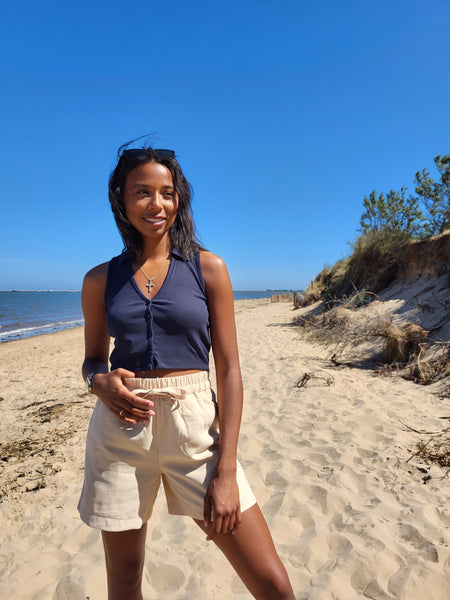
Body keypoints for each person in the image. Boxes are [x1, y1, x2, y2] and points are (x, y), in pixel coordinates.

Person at [78, 141, 295, 600]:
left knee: (272, 583)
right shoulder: (100, 279)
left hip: (196, 429)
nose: (156, 204)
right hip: (120, 433)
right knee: (124, 580)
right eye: (142, 192)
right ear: (121, 198)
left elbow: (231, 369)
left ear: (179, 199)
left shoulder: (209, 268)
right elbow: (94, 358)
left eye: (167, 192)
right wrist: (99, 382)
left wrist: (227, 468)